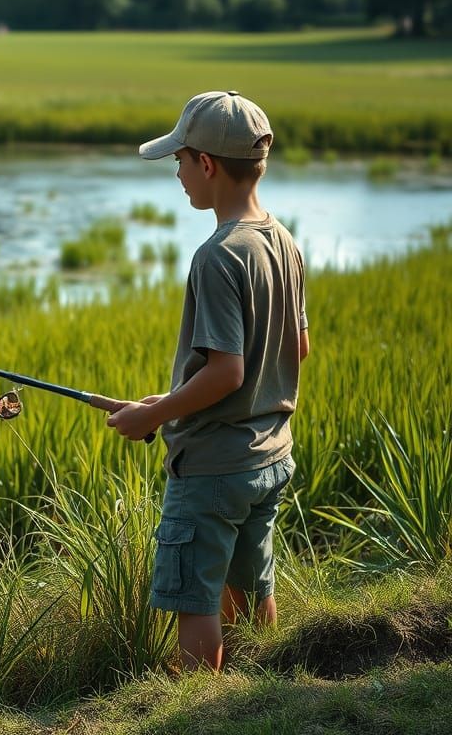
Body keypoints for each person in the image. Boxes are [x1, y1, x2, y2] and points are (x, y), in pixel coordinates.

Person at [105, 91, 309, 671]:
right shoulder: (283, 241)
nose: (177, 171)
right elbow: (298, 346)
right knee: (251, 586)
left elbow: (227, 371)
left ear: (209, 165)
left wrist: (156, 414)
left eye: (181, 159)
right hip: (268, 457)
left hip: (213, 466)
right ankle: (259, 688)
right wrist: (168, 401)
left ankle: (196, 706)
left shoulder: (217, 256)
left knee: (195, 599)